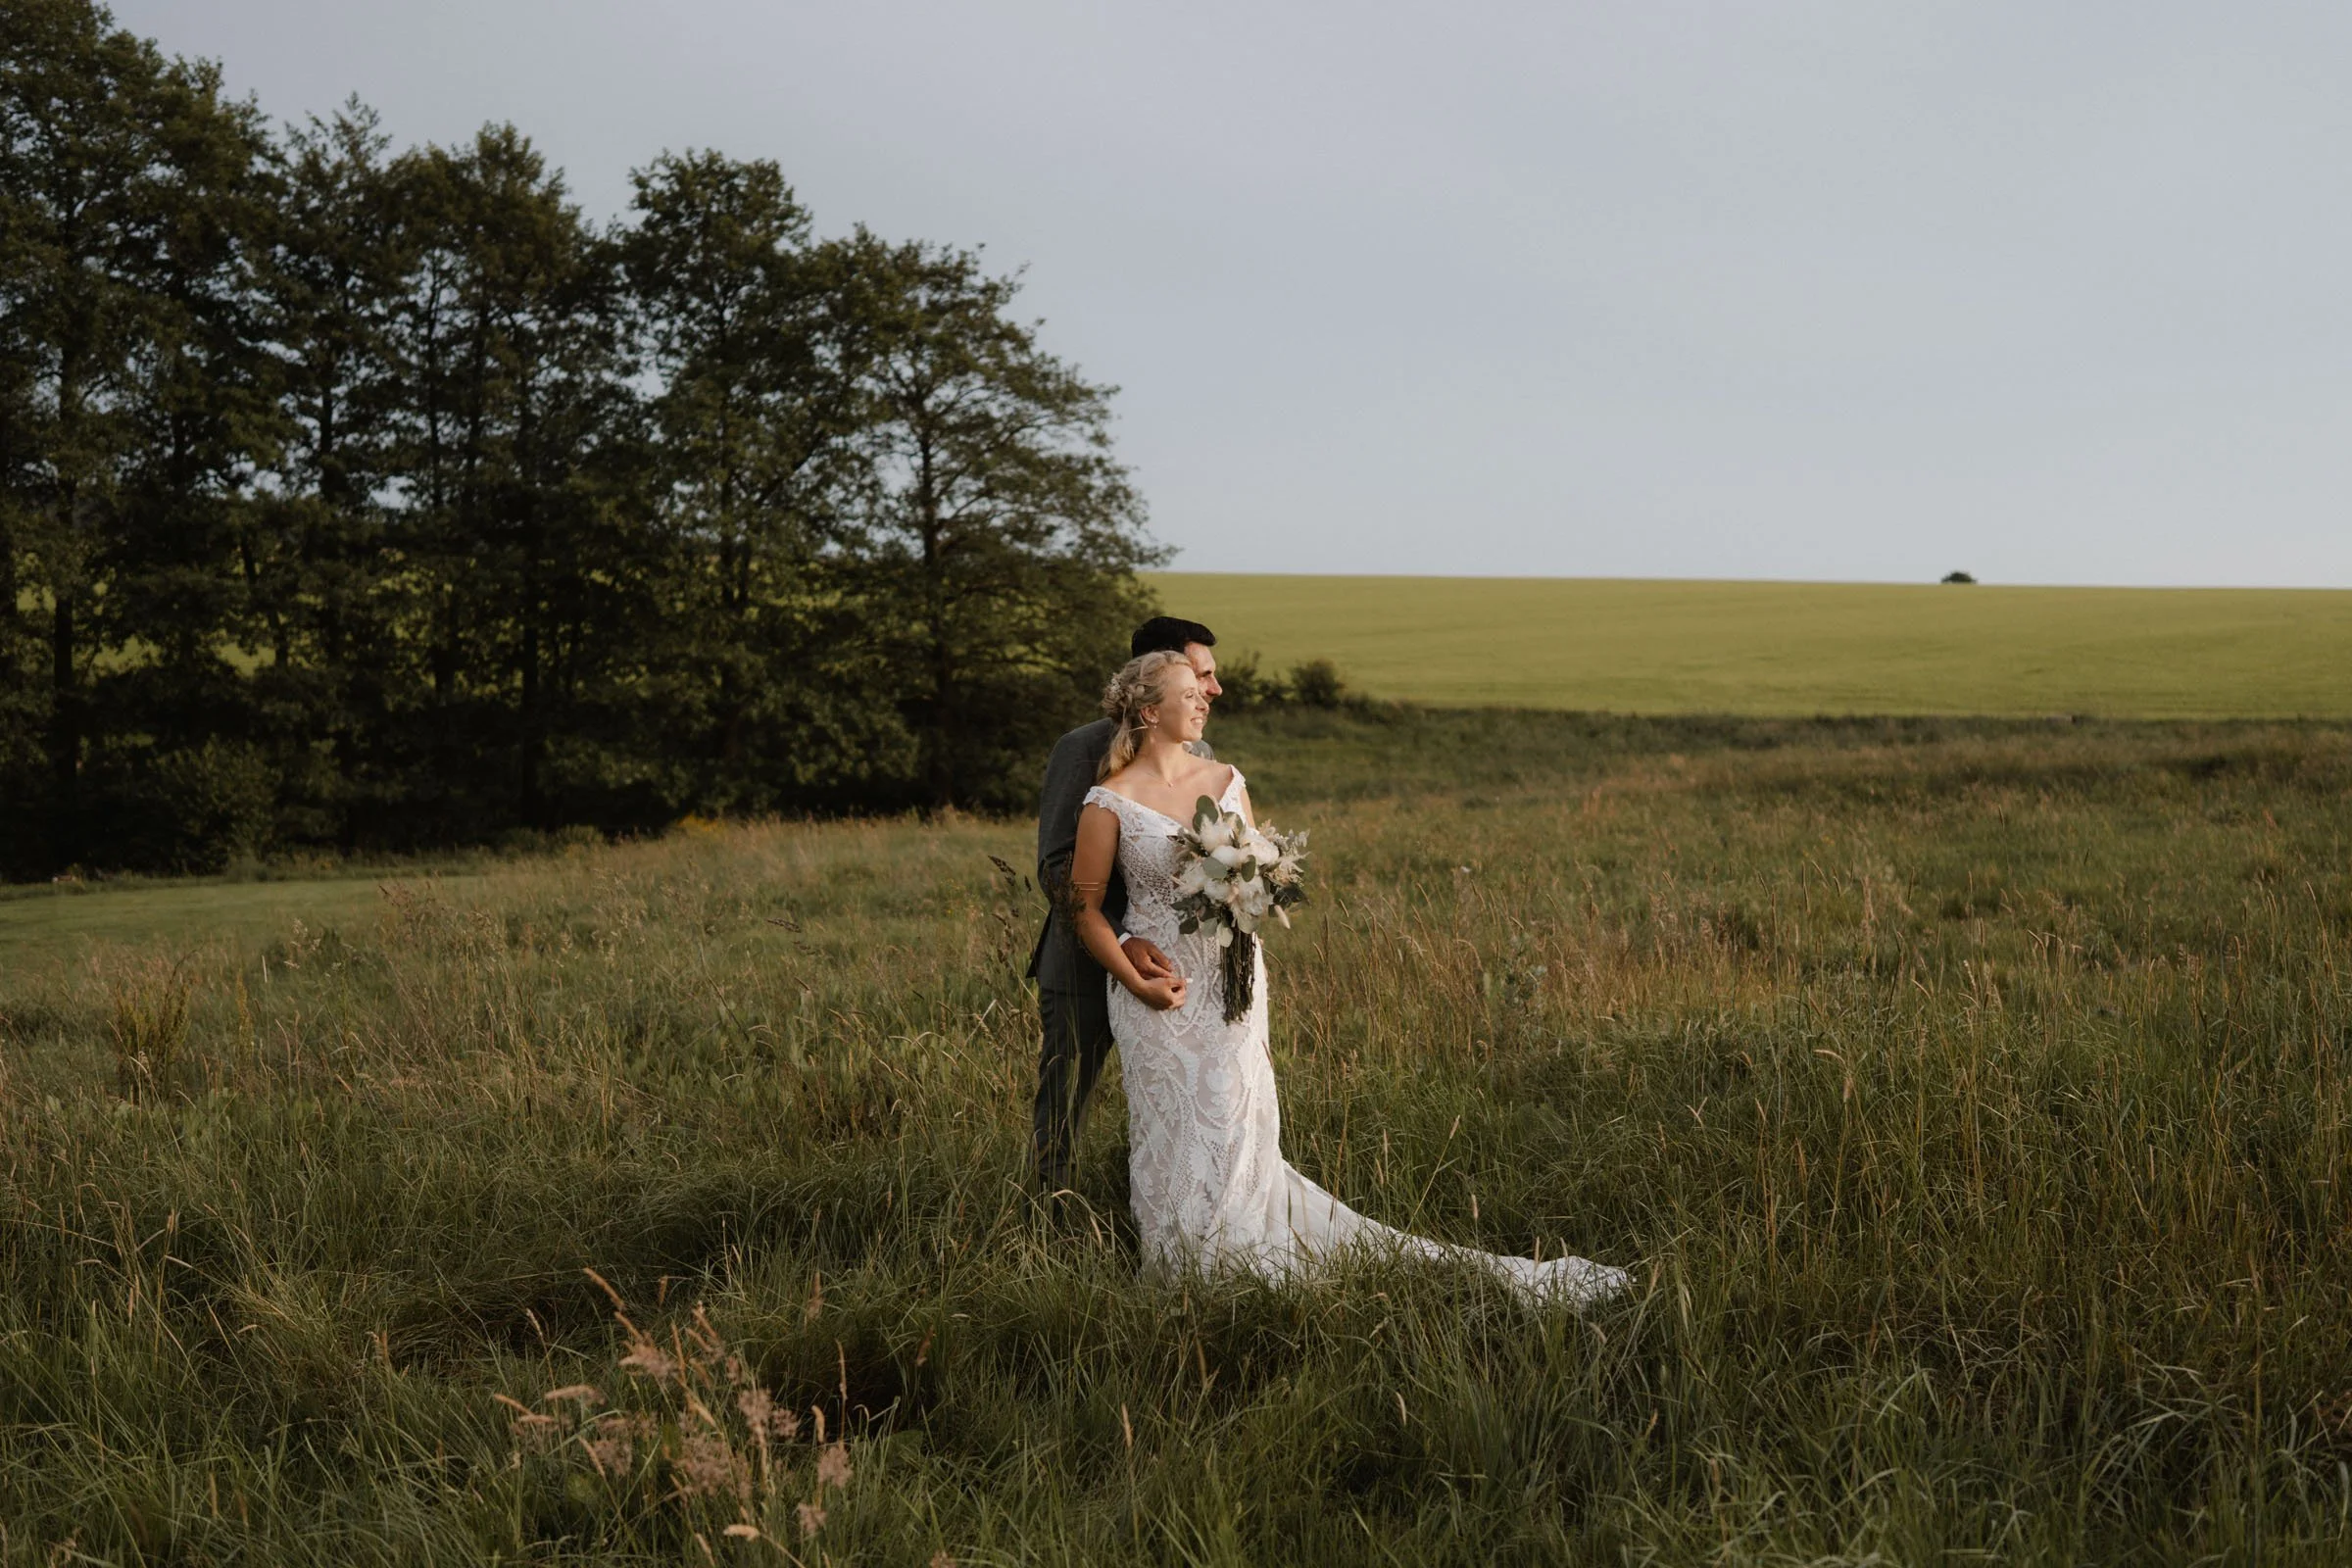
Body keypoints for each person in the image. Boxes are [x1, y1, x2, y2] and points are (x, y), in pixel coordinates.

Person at [1064, 650, 1630, 1305]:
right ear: (1147, 710)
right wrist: (1133, 978)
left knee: (1232, 1116)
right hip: (1154, 993)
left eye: (1203, 690)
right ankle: (1182, 1263)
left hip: (1231, 983)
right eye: (1189, 691)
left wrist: (1256, 887)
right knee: (1168, 1126)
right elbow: (1083, 906)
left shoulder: (1225, 779)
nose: (1205, 699)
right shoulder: (1110, 801)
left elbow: (1252, 871)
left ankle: (1236, 1246)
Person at [1029, 616, 1224, 1200]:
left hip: (1180, 966)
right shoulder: (1081, 748)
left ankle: (1176, 1209)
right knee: (1066, 1099)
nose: (1212, 690)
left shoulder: (1202, 753)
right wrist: (1122, 937)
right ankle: (1050, 1220)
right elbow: (1056, 865)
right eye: (1199, 676)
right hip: (1085, 964)